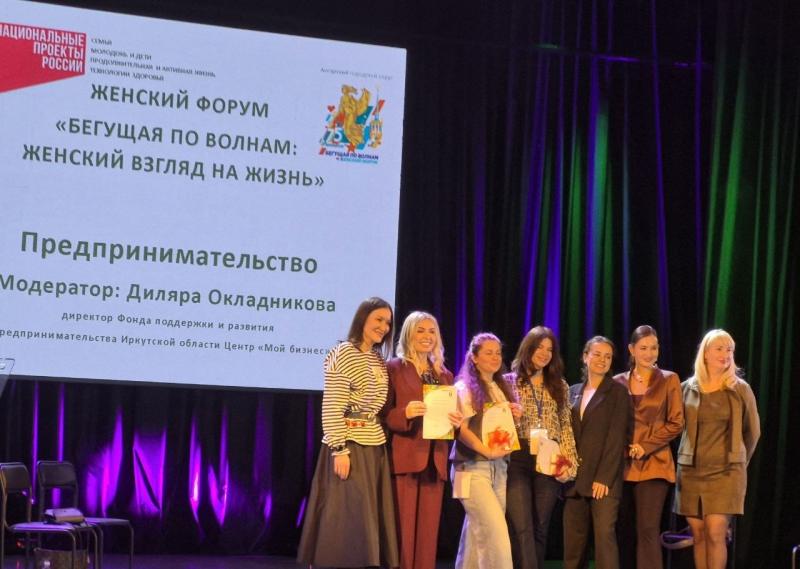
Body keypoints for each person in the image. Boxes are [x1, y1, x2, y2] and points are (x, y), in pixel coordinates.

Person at [297, 297, 400, 568]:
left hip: (373, 444)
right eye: (378, 319)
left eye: (388, 322)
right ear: (362, 318)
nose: (384, 327)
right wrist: (339, 449)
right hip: (349, 444)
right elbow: (332, 405)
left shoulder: (376, 358)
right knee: (345, 515)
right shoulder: (344, 352)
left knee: (365, 517)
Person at [382, 311, 463, 569]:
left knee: (428, 533)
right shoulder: (394, 368)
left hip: (435, 461)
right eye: (420, 330)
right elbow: (384, 414)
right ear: (408, 334)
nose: (427, 336)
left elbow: (451, 420)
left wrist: (456, 423)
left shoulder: (444, 375)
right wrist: (404, 413)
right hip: (406, 458)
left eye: (431, 331)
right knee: (403, 531)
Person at [675, 329, 760, 569]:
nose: (726, 354)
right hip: (691, 472)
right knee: (699, 534)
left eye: (729, 349)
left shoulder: (740, 389)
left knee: (715, 532)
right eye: (719, 349)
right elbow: (673, 426)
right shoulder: (686, 388)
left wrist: (739, 460)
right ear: (705, 353)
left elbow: (753, 432)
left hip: (726, 473)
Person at [505, 326, 578, 569]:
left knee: (540, 526)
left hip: (549, 455)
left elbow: (565, 425)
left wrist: (569, 461)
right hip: (518, 456)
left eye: (549, 349)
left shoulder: (560, 385)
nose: (544, 353)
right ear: (528, 348)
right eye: (539, 347)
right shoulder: (508, 382)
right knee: (521, 526)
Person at [613, 325, 684, 569]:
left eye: (653, 348)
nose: (649, 353)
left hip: (655, 463)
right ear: (631, 349)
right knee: (624, 530)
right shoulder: (617, 382)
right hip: (622, 464)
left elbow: (676, 423)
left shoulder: (669, 379)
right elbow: (612, 423)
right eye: (643, 348)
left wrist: (645, 446)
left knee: (648, 529)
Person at [451, 333, 521, 569]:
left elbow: (499, 430)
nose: (495, 357)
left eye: (498, 353)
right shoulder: (464, 388)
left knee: (476, 532)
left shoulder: (500, 388)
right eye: (488, 353)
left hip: (498, 468)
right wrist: (486, 452)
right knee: (495, 535)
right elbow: (461, 430)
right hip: (470, 468)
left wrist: (514, 417)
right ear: (474, 357)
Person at [563, 336, 631, 569]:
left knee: (604, 539)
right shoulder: (572, 391)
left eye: (608, 356)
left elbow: (616, 438)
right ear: (585, 357)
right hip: (574, 480)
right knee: (573, 545)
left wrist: (603, 477)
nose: (602, 360)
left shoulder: (618, 392)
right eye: (597, 354)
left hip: (603, 482)